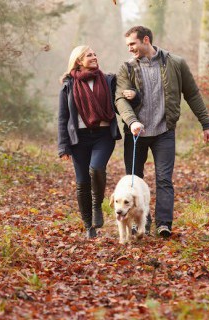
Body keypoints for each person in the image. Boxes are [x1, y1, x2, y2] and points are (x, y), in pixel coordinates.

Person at [115, 26, 209, 238]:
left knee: (164, 179)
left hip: (164, 132)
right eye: (128, 46)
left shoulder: (175, 63)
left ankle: (163, 224)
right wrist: (132, 121)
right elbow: (120, 99)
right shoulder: (127, 68)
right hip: (136, 134)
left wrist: (206, 124)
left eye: (133, 44)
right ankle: (140, 223)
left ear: (145, 40)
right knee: (134, 181)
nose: (130, 49)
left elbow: (193, 95)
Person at [57, 45, 121, 239]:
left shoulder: (108, 80)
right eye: (89, 55)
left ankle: (97, 205)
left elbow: (121, 102)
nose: (94, 57)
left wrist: (133, 97)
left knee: (96, 169)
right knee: (82, 182)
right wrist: (63, 146)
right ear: (78, 61)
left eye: (95, 54)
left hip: (103, 135)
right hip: (79, 139)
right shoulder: (68, 85)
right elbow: (63, 117)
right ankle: (88, 226)